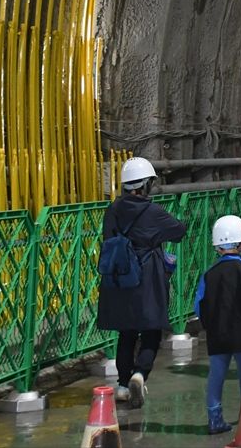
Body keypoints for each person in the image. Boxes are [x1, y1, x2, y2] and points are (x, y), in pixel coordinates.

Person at [96, 156, 186, 408]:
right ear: (146, 184)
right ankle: (140, 373)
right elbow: (179, 231)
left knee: (126, 333)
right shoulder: (152, 212)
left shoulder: (112, 210)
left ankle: (123, 385)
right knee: (151, 330)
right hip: (147, 279)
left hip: (119, 278)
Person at [194, 215, 241, 433]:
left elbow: (198, 305)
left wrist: (209, 324)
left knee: (216, 375)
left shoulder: (209, 274)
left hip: (217, 334)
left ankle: (214, 419)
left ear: (217, 246)